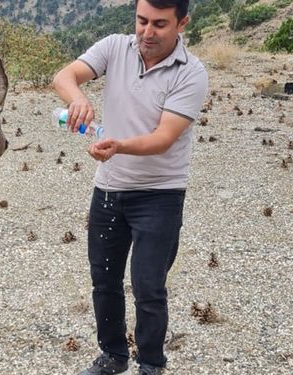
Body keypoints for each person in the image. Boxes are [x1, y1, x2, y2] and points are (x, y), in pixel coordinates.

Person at [53, 1, 208, 374]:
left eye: (159, 24)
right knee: (104, 280)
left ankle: (151, 363)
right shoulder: (114, 47)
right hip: (108, 189)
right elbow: (64, 76)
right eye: (141, 21)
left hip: (160, 194)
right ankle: (113, 355)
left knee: (149, 287)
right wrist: (77, 98)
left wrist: (119, 145)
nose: (147, 32)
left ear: (181, 23)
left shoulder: (191, 73)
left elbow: (163, 138)